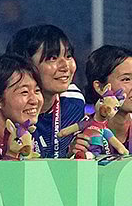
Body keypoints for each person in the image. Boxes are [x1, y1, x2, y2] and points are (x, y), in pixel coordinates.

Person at [6, 24, 85, 159]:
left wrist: (70, 154)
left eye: (68, 56)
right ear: (25, 64)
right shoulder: (3, 100)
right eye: (52, 58)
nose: (65, 66)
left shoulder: (73, 100)